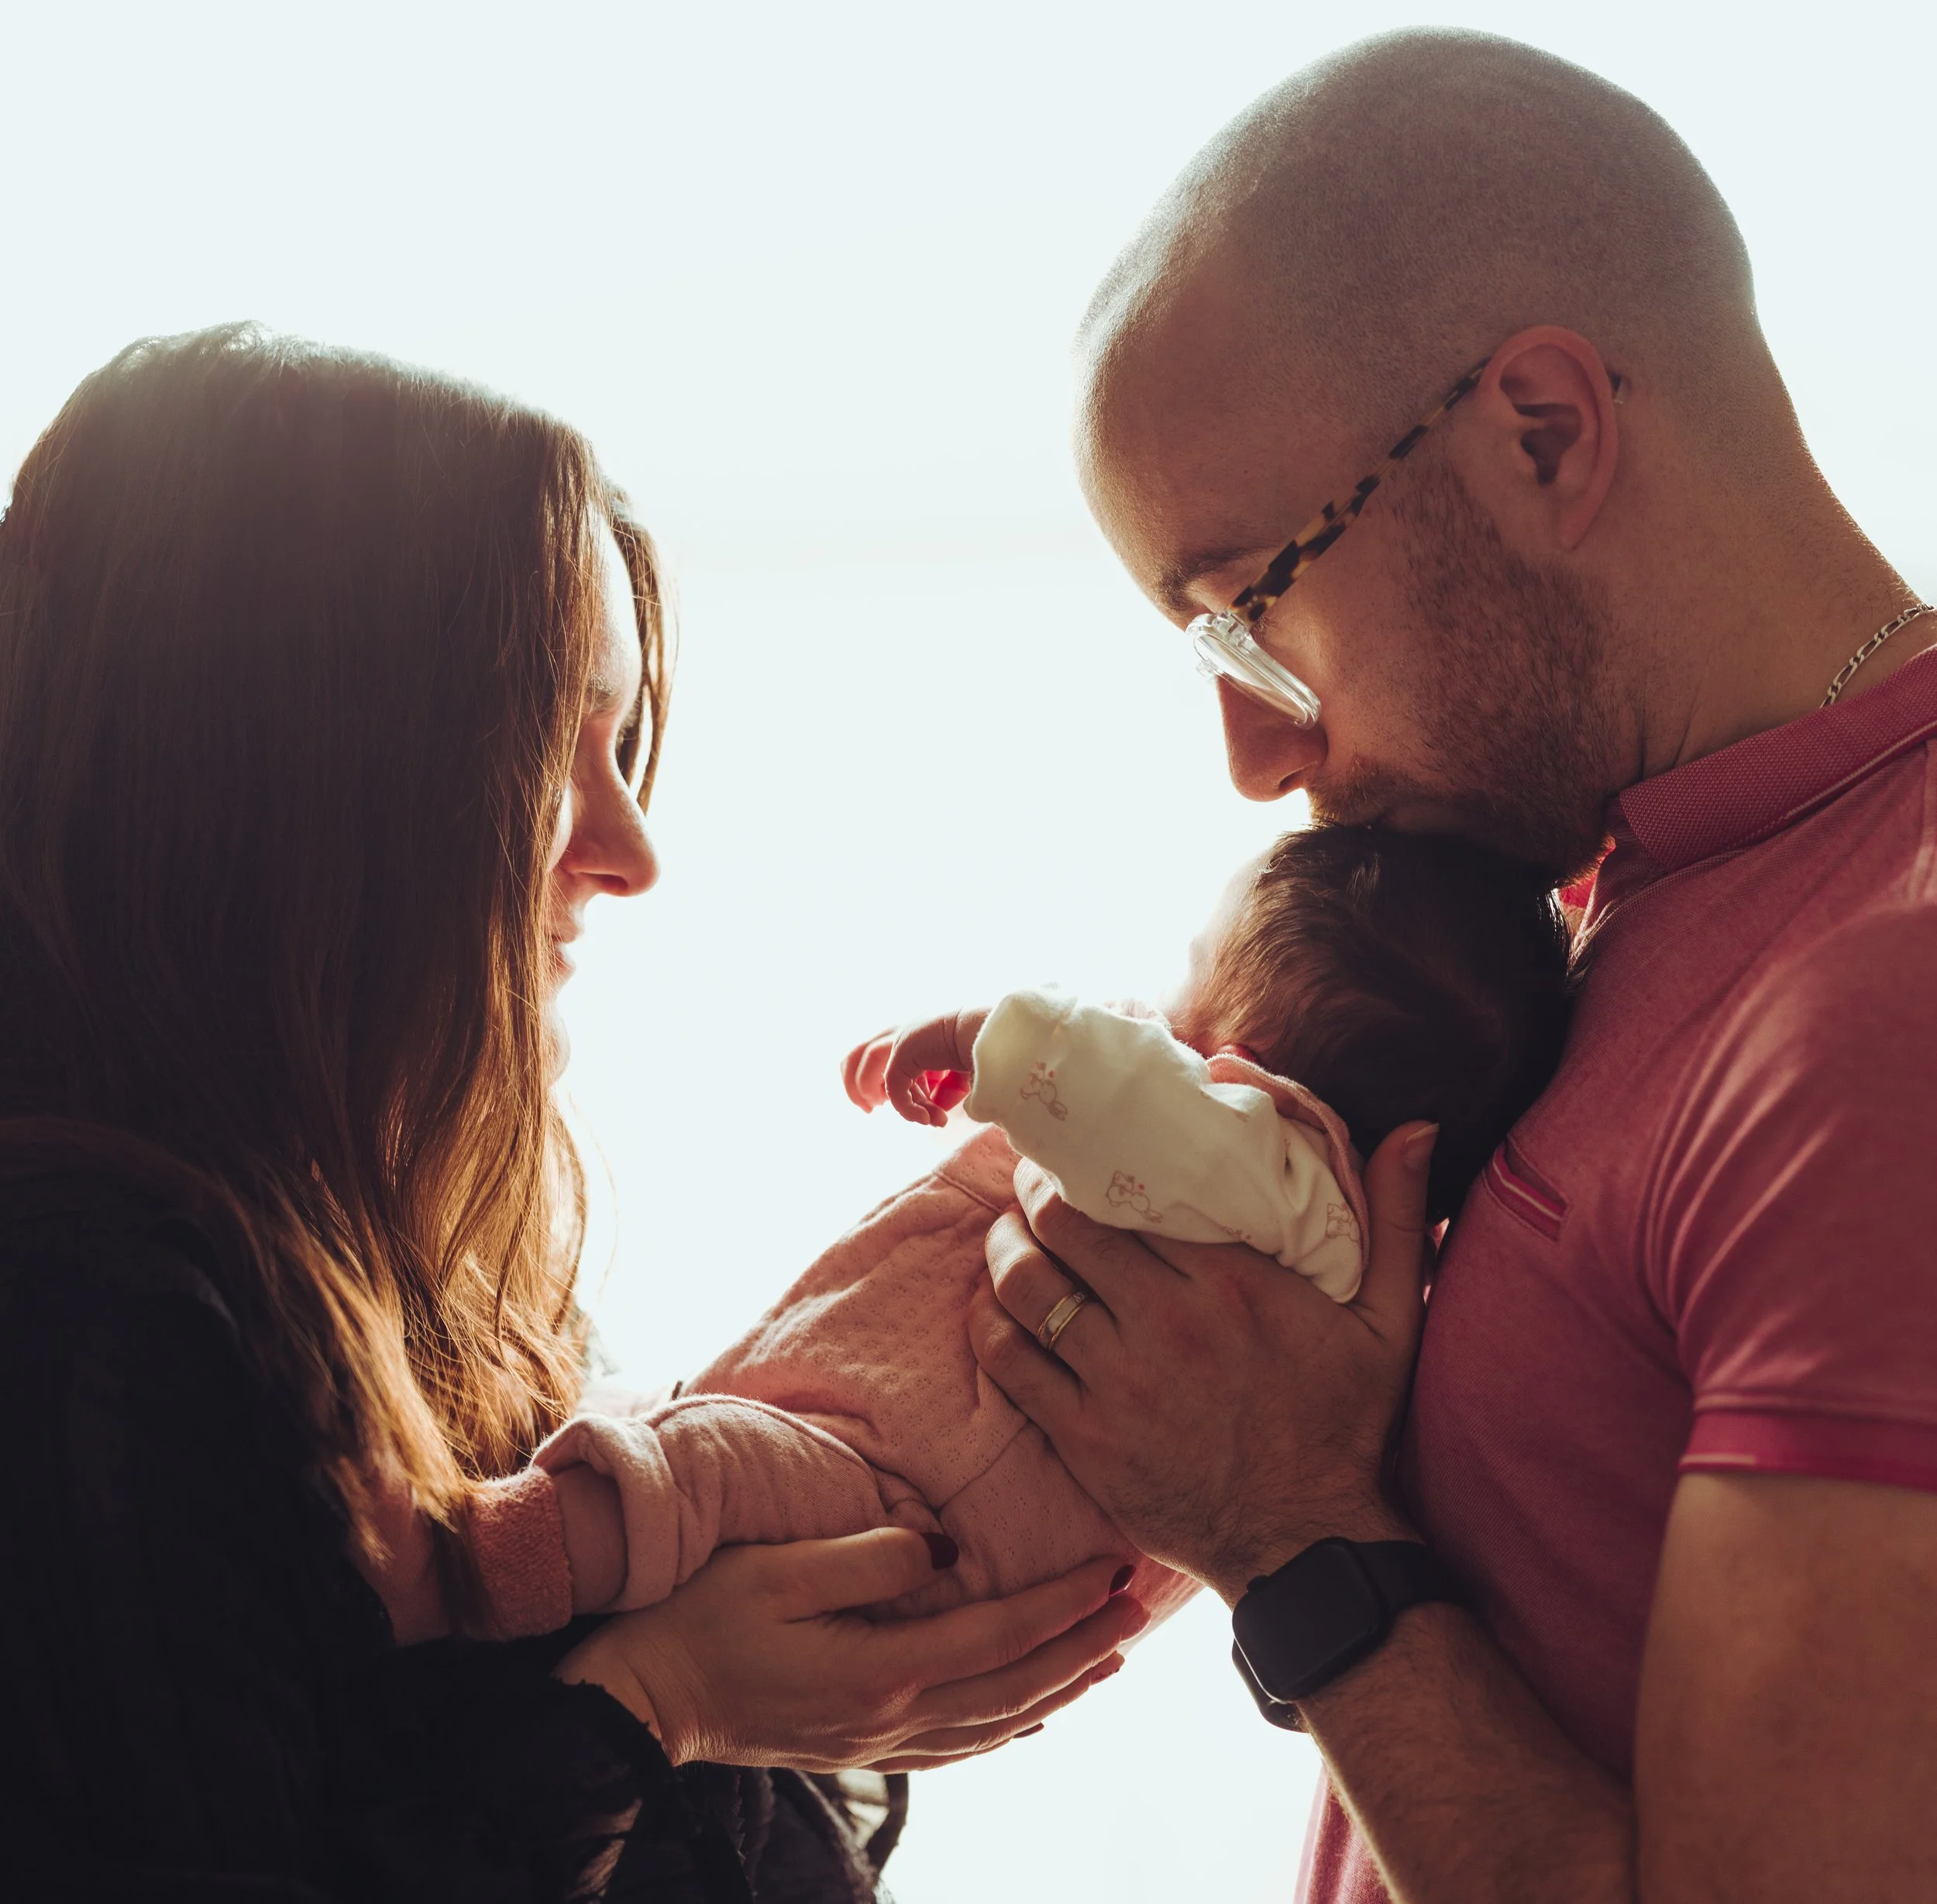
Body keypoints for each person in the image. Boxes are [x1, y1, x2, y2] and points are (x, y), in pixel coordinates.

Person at [965, 28, 1937, 1904]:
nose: (1254, 759)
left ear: (1539, 433)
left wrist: (1289, 1535)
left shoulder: (1879, 1011)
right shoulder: (1623, 892)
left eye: (1246, 613)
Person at [0, 323, 1143, 1902]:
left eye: (624, 741)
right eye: (553, 741)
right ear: (300, 771)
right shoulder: (79, 1318)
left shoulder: (414, 1270)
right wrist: (659, 1702)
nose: (628, 845)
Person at [350, 827, 1567, 1651]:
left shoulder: (1268, 1161)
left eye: (1191, 981)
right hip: (960, 1514)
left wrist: (977, 1041)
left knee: (708, 1470)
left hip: (920, 1513)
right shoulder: (1332, 1251)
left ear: (1254, 1035)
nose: (1153, 1011)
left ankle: (459, 1575)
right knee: (680, 1450)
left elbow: (1120, 1081)